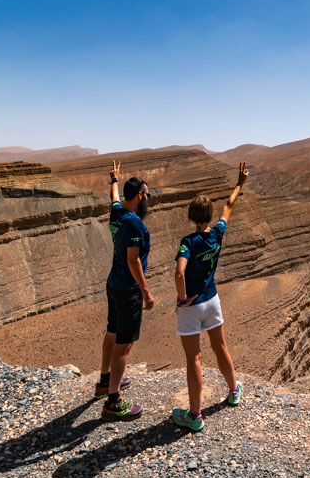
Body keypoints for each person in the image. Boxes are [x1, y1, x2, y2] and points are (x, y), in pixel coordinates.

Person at [170, 161, 249, 432]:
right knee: (221, 347)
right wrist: (239, 183)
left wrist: (182, 299)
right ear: (209, 216)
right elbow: (229, 205)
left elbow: (179, 273)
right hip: (212, 301)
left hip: (192, 307)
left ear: (192, 216)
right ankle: (234, 390)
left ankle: (194, 415)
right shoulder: (217, 234)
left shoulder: (188, 243)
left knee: (194, 359)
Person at [97, 160, 156, 421]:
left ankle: (104, 380)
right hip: (127, 289)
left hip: (113, 285)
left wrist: (114, 180)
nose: (148, 199)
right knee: (124, 345)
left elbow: (113, 197)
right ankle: (113, 401)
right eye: (147, 195)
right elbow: (134, 261)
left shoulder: (117, 213)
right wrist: (146, 291)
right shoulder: (133, 223)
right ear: (140, 195)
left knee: (112, 332)